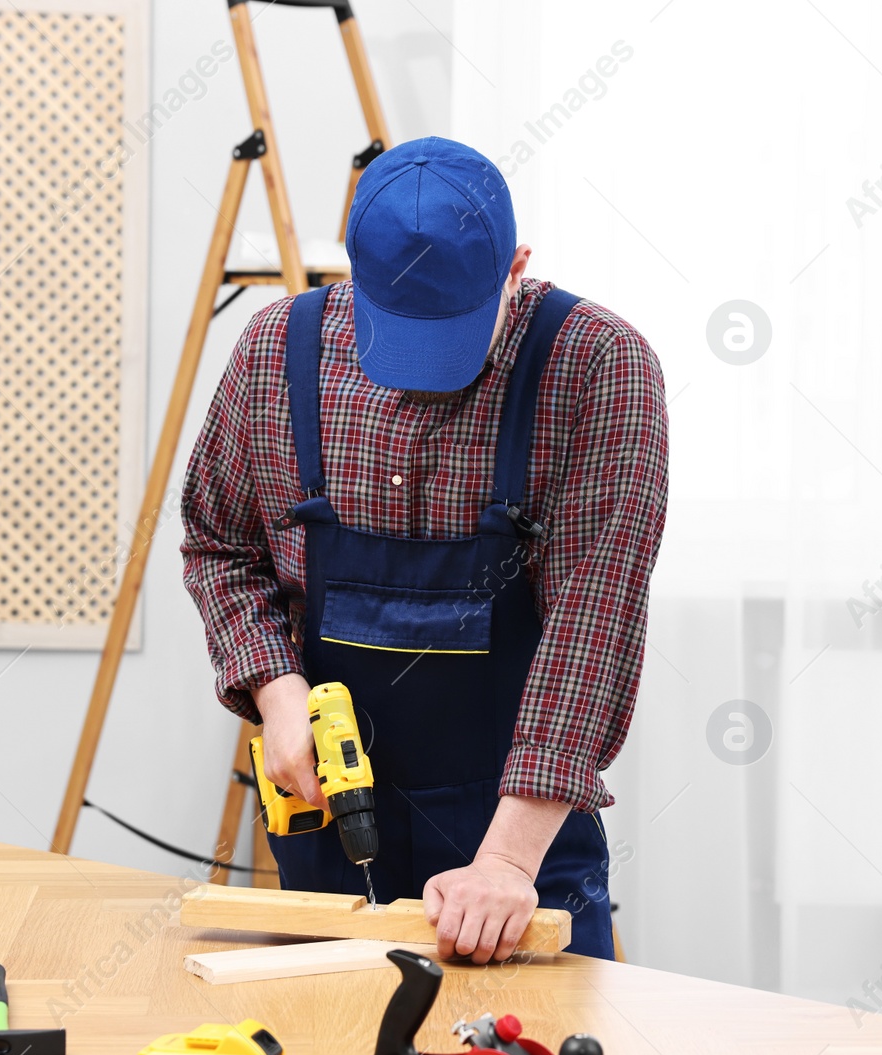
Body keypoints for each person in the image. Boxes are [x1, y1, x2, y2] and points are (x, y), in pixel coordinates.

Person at [181, 136, 667, 963]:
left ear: (515, 267)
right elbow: (220, 544)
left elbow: (595, 621)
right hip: (331, 823)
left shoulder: (598, 369)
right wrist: (279, 691)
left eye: (447, 339)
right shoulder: (275, 352)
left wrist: (508, 859)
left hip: (521, 841)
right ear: (353, 274)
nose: (415, 376)